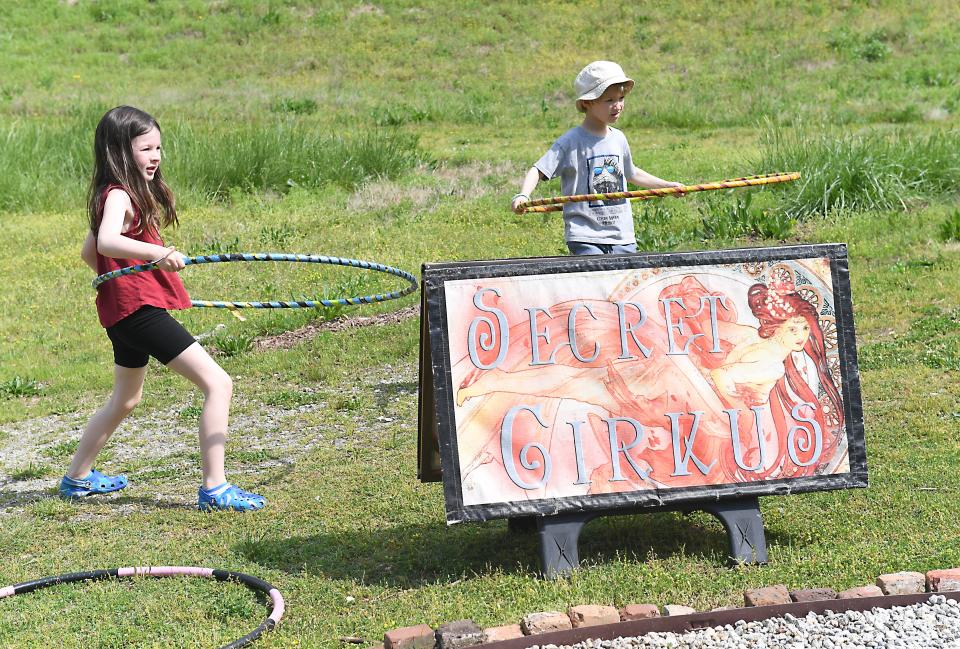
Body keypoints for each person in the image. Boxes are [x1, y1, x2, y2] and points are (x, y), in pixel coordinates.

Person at [455, 275, 845, 494]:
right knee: (580, 382)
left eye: (802, 331)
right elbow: (709, 337)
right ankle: (493, 381)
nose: (796, 335)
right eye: (794, 326)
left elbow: (725, 379)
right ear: (779, 324)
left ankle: (493, 382)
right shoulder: (749, 336)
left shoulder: (773, 368)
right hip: (673, 386)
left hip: (686, 401)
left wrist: (720, 389)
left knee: (582, 384)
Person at [61, 106, 265, 512]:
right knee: (218, 383)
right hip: (140, 313)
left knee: (125, 399)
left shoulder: (113, 194)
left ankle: (77, 479)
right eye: (145, 148)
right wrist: (156, 254)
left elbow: (89, 252)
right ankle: (215, 488)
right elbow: (104, 243)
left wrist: (117, 279)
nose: (156, 157)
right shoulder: (119, 195)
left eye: (159, 147)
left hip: (123, 315)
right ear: (120, 150)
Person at [510, 60, 684, 255]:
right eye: (609, 100)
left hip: (621, 236)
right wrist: (523, 196)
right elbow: (538, 170)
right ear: (587, 102)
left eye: (621, 98)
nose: (617, 105)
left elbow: (631, 173)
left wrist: (666, 186)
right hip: (585, 236)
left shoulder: (618, 138)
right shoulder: (571, 142)